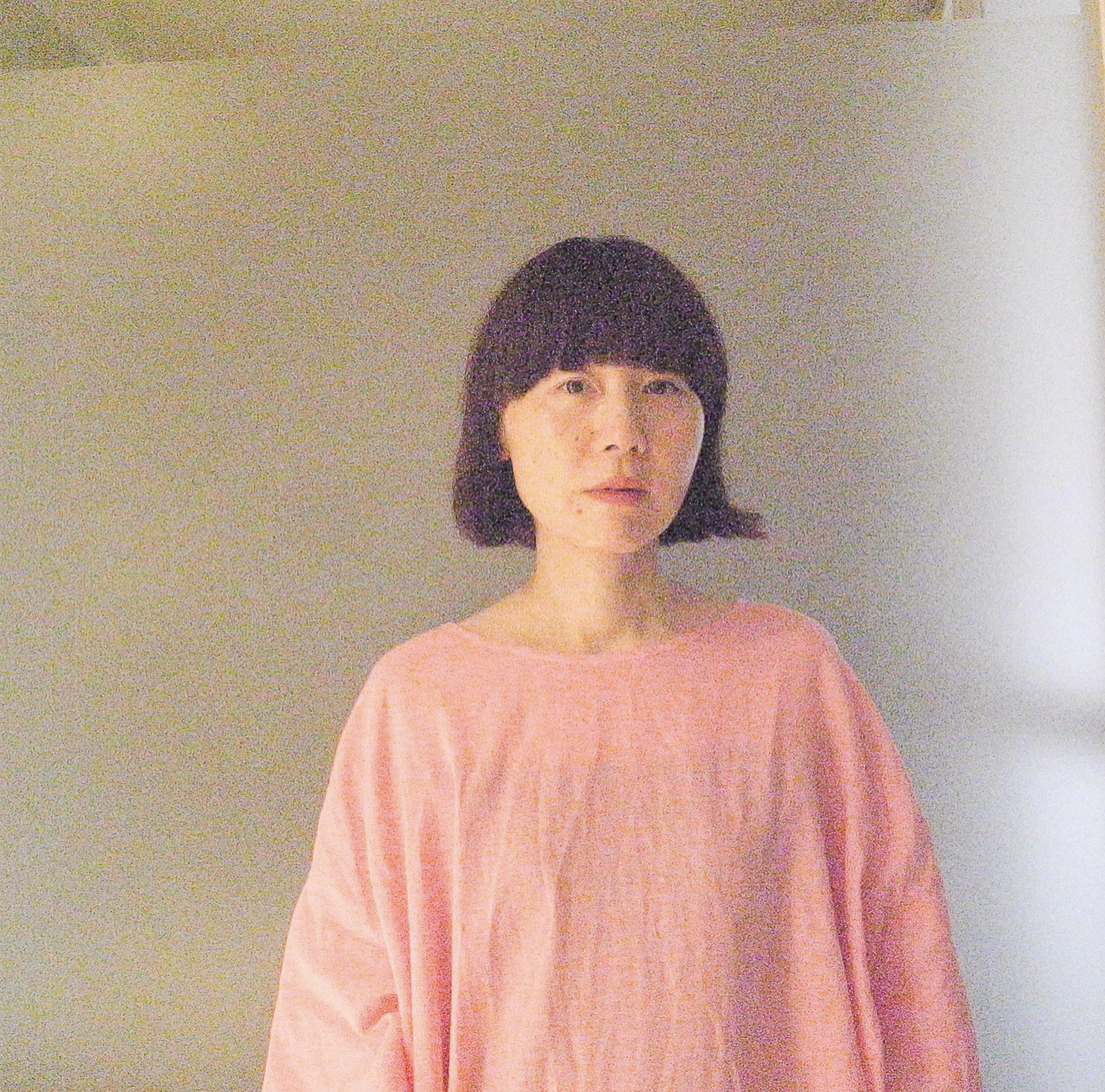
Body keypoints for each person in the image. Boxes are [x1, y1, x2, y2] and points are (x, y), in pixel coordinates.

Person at [261, 237, 983, 1091]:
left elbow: (906, 970)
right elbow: (342, 1017)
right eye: (574, 385)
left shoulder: (790, 678)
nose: (623, 433)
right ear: (500, 424)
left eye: (662, 388)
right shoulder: (423, 704)